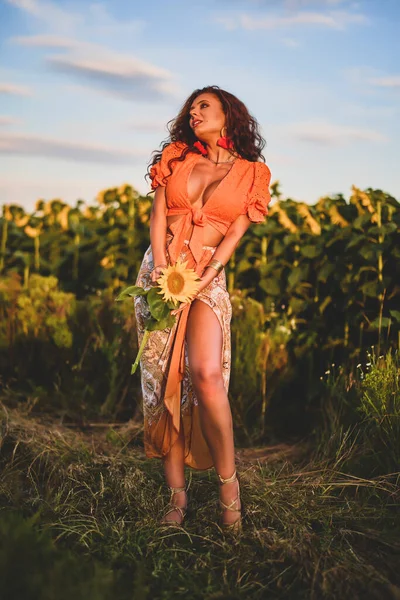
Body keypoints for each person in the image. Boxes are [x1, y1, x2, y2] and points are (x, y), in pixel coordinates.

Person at [134, 85, 271, 533]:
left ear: (228, 114)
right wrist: (161, 270)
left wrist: (207, 276)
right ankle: (177, 498)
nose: (194, 113)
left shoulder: (253, 173)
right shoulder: (175, 156)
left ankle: (229, 488)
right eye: (191, 108)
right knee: (167, 382)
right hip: (162, 273)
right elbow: (159, 217)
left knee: (206, 373)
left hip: (207, 276)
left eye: (203, 106)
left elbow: (233, 236)